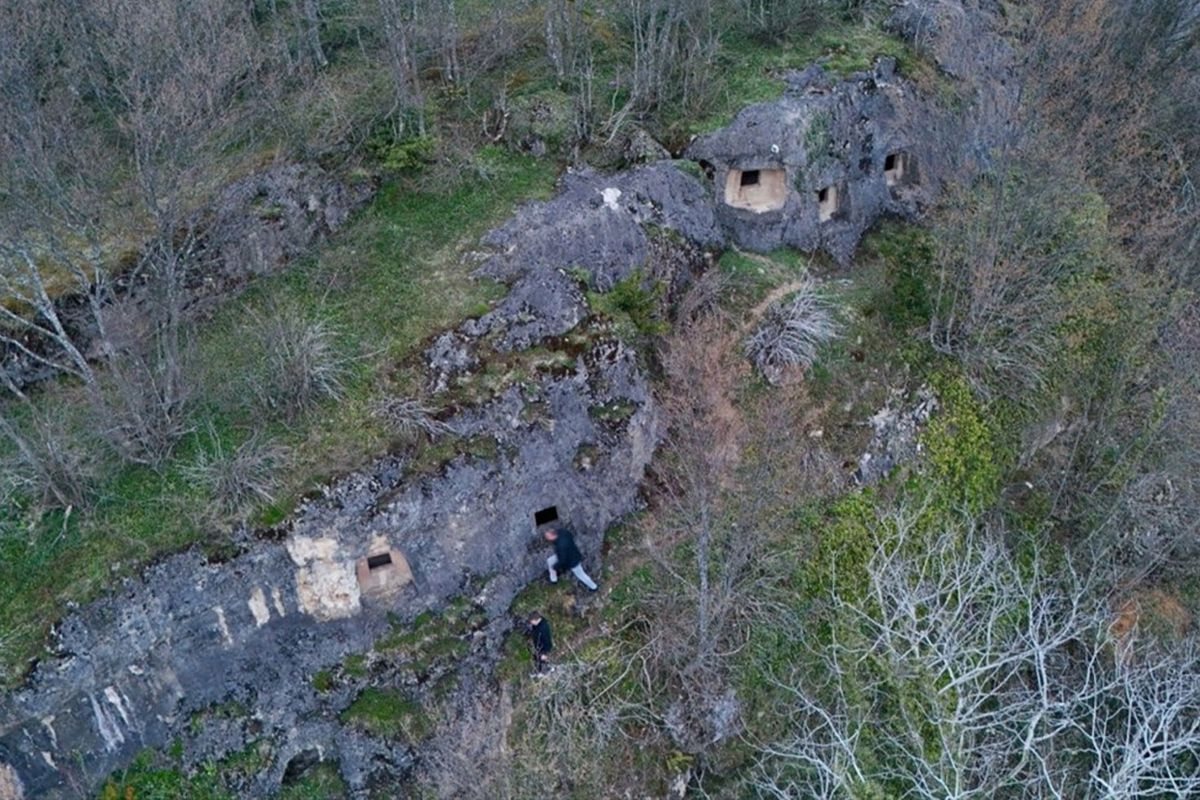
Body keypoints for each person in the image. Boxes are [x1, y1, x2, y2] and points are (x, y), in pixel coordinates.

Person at [544, 527, 598, 591]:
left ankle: (594, 587)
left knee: (581, 575)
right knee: (550, 560)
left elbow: (563, 560)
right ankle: (553, 579)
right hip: (572, 553)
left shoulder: (561, 545)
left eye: (547, 536)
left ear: (552, 535)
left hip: (572, 561)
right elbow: (570, 535)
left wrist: (555, 567)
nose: (546, 538)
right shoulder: (562, 532)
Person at [526, 611, 553, 675]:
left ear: (536, 620)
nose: (531, 623)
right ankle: (539, 670)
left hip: (544, 647)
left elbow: (547, 641)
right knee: (537, 657)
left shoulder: (543, 629)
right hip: (539, 645)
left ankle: (544, 671)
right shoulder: (538, 624)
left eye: (531, 622)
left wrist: (544, 653)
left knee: (541, 659)